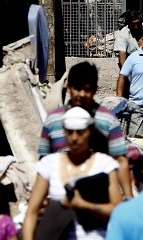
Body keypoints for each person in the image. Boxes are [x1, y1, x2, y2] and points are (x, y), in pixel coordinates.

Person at [24, 106, 122, 240]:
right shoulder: (49, 164)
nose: (74, 138)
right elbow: (32, 210)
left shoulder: (105, 165)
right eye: (69, 132)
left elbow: (117, 210)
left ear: (89, 132)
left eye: (80, 132)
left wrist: (82, 205)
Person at [38, 61, 133, 199]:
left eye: (87, 89)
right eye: (77, 88)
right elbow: (43, 159)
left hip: (98, 196)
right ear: (69, 88)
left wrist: (128, 197)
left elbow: (120, 160)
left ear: (95, 90)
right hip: (60, 195)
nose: (82, 94)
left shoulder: (107, 120)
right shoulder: (53, 119)